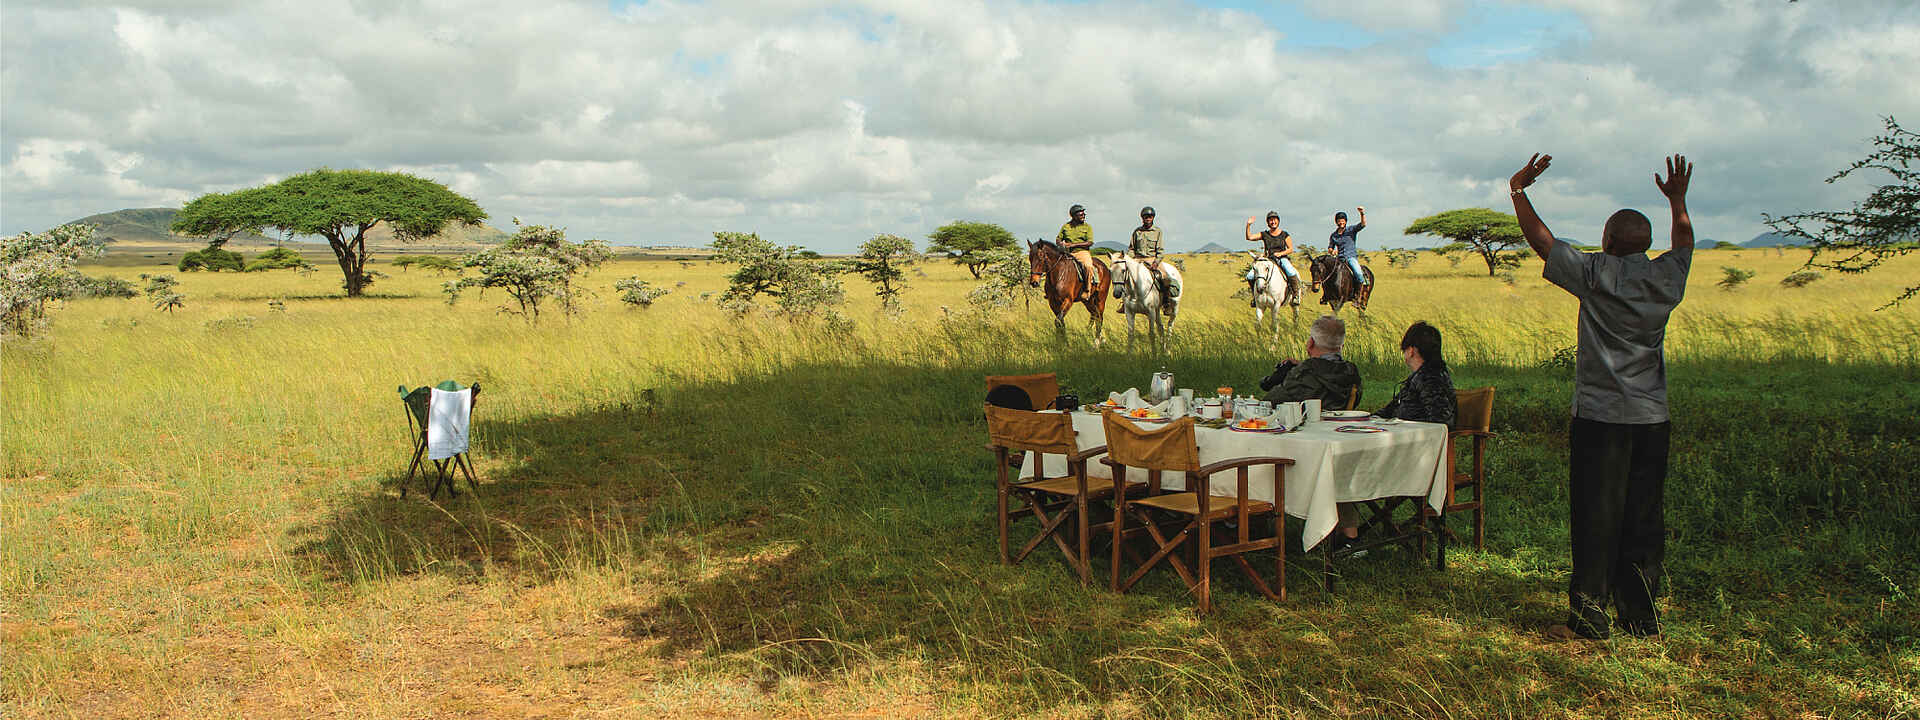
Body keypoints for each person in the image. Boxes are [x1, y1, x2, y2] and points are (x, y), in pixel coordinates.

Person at [1509, 152, 1695, 641]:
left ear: (1607, 242)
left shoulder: (1595, 274)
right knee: (1643, 515)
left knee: (1596, 515)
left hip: (1600, 418)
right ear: (1645, 245)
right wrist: (1678, 201)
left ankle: (1589, 617)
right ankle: (1640, 616)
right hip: (1653, 418)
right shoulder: (1665, 278)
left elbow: (1543, 242)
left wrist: (1518, 191)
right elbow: (1684, 244)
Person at [1258, 314, 1361, 408]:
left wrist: (1287, 374)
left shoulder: (1303, 376)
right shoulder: (1351, 373)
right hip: (1341, 426)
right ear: (1342, 346)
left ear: (1310, 343)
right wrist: (1303, 366)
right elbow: (1328, 368)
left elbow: (1268, 403)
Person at [1376, 321, 1457, 428]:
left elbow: (1440, 420)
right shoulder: (1420, 377)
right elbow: (1389, 410)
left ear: (1411, 351)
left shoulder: (1430, 379)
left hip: (1416, 440)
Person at [1124, 206, 1179, 307]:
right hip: (1138, 259)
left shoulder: (1157, 231)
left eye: (1150, 217)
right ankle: (1125, 303)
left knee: (1165, 278)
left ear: (1153, 218)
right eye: (1146, 217)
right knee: (1125, 276)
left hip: (1152, 259)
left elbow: (1160, 250)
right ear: (1142, 218)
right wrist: (1128, 259)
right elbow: (1132, 248)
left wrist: (1156, 262)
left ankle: (1166, 303)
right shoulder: (1137, 232)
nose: (1148, 219)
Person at [1244, 211, 1300, 308]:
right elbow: (1249, 237)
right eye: (1270, 220)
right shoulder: (1264, 234)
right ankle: (1255, 297)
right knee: (1249, 276)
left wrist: (1280, 254)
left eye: (1274, 220)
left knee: (1290, 271)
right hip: (1268, 260)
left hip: (1281, 258)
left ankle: (1295, 295)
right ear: (1267, 222)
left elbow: (1290, 249)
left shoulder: (1284, 234)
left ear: (1278, 221)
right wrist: (1248, 225)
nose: (1273, 222)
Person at [1055, 204, 1098, 301]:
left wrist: (1072, 245)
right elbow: (1058, 238)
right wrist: (1060, 243)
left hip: (1082, 252)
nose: (1083, 216)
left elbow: (1090, 242)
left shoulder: (1087, 227)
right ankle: (1052, 290)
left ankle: (1087, 290)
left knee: (1088, 266)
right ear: (1073, 216)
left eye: (1084, 214)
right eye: (1081, 215)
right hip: (1067, 253)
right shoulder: (1066, 227)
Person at [1327, 206, 1368, 286]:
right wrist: (1332, 251)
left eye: (1343, 221)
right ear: (1336, 222)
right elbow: (1330, 247)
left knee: (1358, 273)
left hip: (1350, 258)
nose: (1341, 222)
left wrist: (1362, 213)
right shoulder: (1334, 235)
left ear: (1345, 221)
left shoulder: (1351, 230)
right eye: (1339, 221)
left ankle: (1361, 288)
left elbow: (1363, 224)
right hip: (1339, 259)